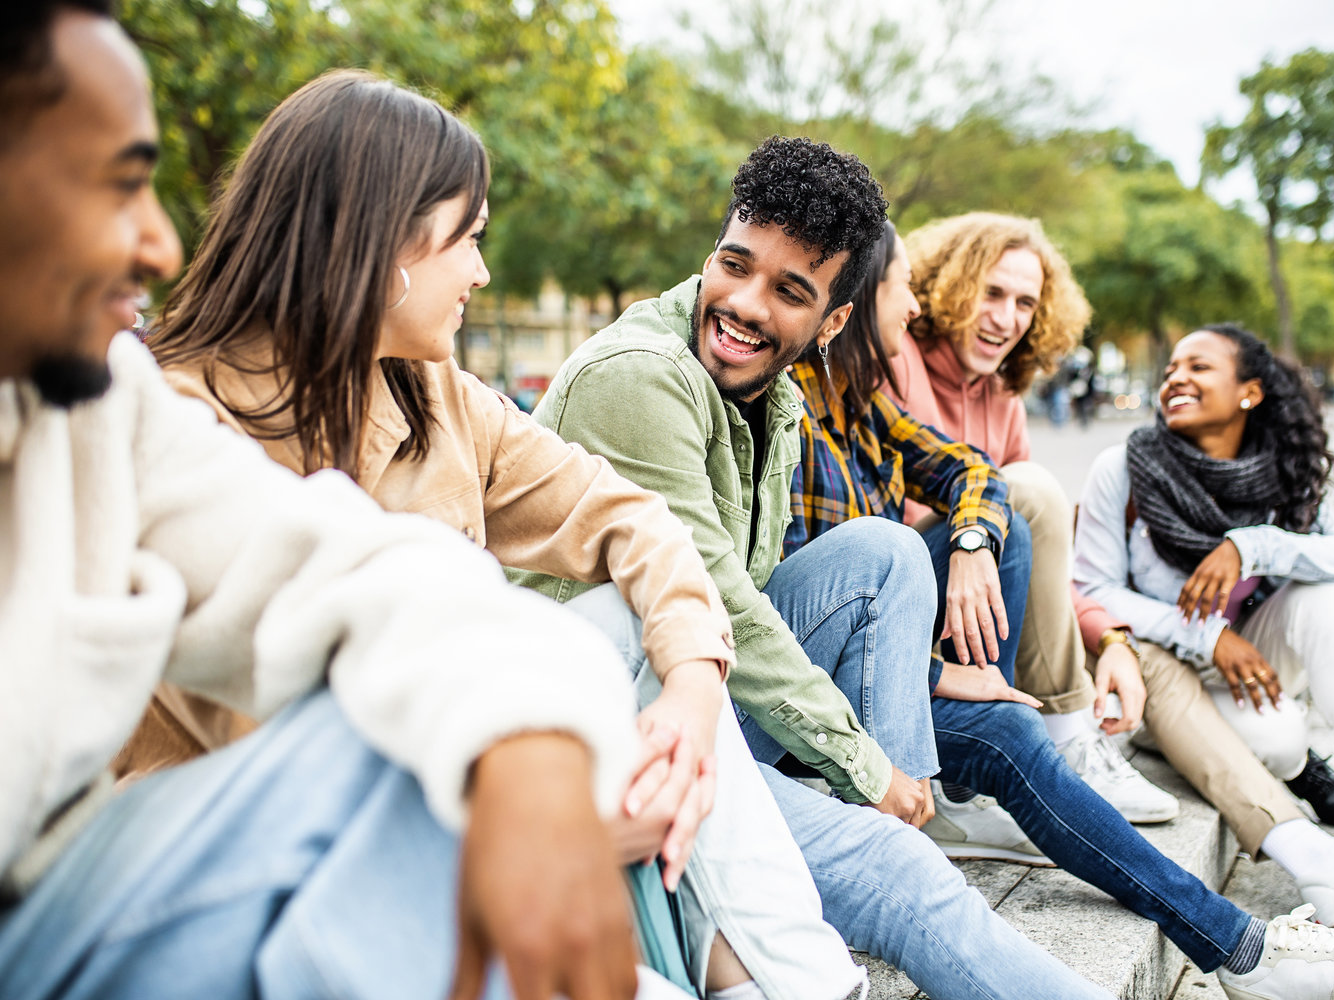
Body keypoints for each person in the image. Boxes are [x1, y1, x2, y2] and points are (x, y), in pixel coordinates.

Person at [515, 135, 1334, 1000]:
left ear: (831, 317)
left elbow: (960, 493)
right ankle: (937, 836)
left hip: (733, 697)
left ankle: (1229, 936)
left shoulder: (789, 398)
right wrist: (866, 758)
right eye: (735, 264)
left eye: (791, 291)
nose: (750, 304)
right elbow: (721, 605)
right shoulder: (644, 380)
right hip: (634, 725)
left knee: (913, 573)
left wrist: (968, 589)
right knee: (936, 826)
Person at [0, 4, 701, 999]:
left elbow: (355, 566)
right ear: (385, 244)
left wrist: (617, 722)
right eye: (119, 185)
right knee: (398, 752)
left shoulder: (100, 409)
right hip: (213, 872)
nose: (159, 241)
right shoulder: (180, 397)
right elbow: (282, 731)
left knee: (589, 683)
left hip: (162, 887)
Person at [138, 70, 862, 1000]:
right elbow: (296, 741)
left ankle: (786, 982)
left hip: (487, 781)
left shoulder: (430, 391)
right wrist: (559, 818)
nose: (482, 272)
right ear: (380, 244)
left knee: (635, 632)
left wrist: (689, 682)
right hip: (275, 861)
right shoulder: (178, 423)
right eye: (469, 241)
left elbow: (628, 519)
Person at [781, 217, 1334, 998]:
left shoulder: (864, 402)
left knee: (1004, 514)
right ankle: (1247, 949)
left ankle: (1255, 922)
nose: (914, 309)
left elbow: (977, 477)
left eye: (1024, 301)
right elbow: (812, 605)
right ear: (857, 302)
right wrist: (939, 669)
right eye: (905, 290)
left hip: (932, 655)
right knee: (954, 585)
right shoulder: (800, 405)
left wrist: (970, 548)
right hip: (844, 692)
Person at [1073, 323, 1334, 927]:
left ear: (1249, 392)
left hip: (1255, 650)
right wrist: (1207, 635)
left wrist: (1254, 546)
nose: (1176, 379)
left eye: (1198, 367)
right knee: (1279, 742)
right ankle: (1301, 769)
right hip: (1158, 669)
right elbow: (1093, 589)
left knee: (1329, 597)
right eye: (1171, 370)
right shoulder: (1125, 466)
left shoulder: (1286, 473)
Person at [889, 211, 1178, 823]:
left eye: (1026, 302)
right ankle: (1057, 739)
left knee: (1024, 503)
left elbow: (1044, 555)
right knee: (1024, 489)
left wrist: (1109, 637)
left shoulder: (1005, 397)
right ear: (949, 286)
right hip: (904, 602)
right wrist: (971, 535)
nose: (1006, 317)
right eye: (991, 293)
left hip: (987, 610)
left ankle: (1059, 735)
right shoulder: (898, 358)